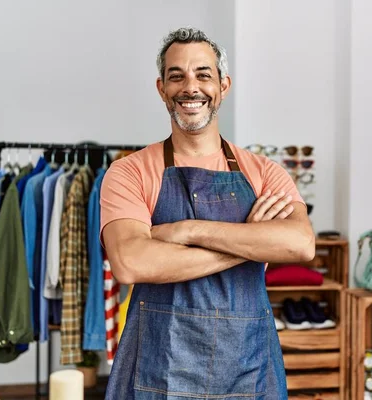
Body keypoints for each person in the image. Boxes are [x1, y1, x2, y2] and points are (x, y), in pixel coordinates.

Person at [100, 27, 315, 399]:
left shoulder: (264, 172)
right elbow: (132, 262)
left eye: (203, 74)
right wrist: (252, 241)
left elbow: (299, 244)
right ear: (161, 88)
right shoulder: (129, 171)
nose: (190, 87)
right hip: (158, 368)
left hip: (249, 368)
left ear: (223, 85)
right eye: (176, 76)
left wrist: (186, 230)